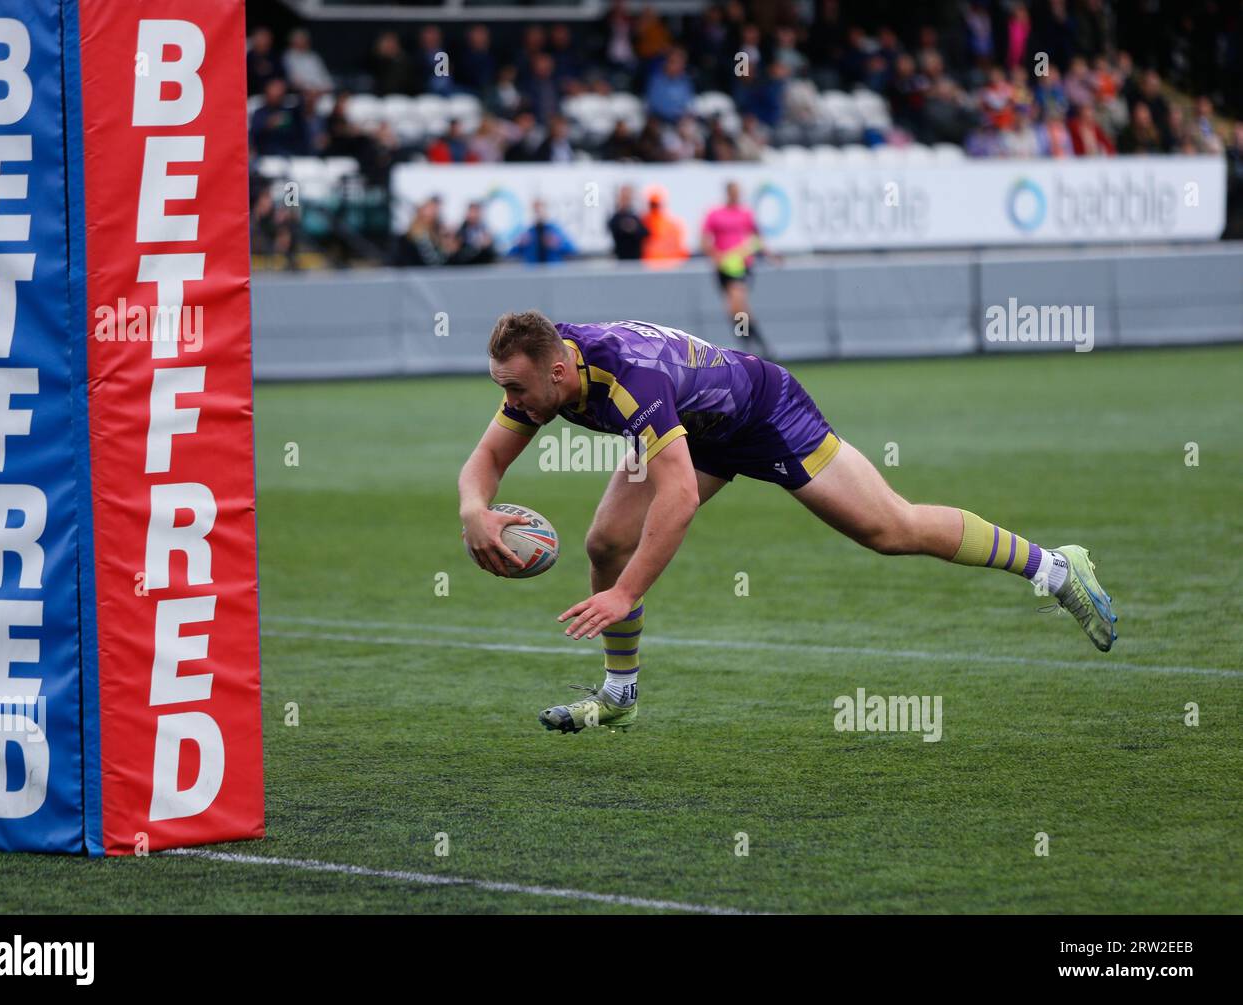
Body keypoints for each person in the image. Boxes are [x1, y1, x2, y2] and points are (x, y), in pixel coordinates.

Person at [458, 312, 1118, 733]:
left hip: (768, 411)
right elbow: (485, 461)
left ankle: (1056, 566)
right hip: (695, 427)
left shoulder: (628, 378)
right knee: (605, 539)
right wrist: (473, 510)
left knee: (891, 528)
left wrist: (626, 592)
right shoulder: (545, 376)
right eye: (502, 390)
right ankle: (620, 695)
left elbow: (679, 495)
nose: (510, 402)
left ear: (558, 370)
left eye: (515, 390)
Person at [700, 181, 777, 357]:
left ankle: (751, 346)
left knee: (737, 304)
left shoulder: (746, 214)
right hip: (724, 267)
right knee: (735, 310)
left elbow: (757, 238)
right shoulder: (715, 214)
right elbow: (705, 240)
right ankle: (755, 343)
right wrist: (716, 256)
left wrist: (770, 255)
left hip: (742, 266)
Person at [607, 185, 648, 261]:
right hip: (621, 260)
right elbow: (612, 227)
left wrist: (634, 228)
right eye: (623, 197)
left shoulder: (636, 217)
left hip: (637, 260)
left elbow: (645, 232)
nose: (626, 199)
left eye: (628, 197)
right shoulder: (616, 218)